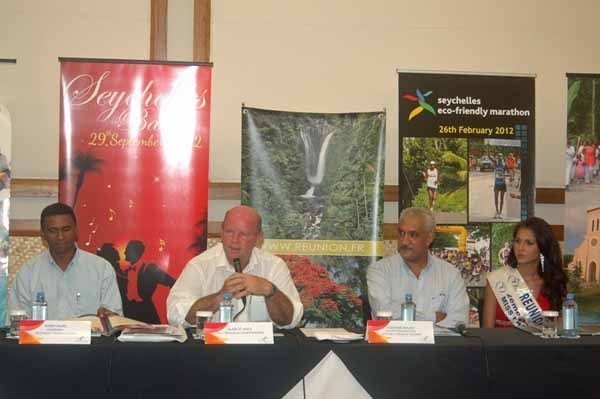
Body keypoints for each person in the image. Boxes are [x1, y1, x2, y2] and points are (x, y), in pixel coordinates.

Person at [166, 205, 303, 328]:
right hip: (212, 352)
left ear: (259, 238)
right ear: (221, 232)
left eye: (243, 234)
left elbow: (291, 320)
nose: (234, 240)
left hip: (261, 353)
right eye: (229, 232)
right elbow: (175, 315)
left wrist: (271, 291)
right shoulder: (200, 265)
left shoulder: (274, 266)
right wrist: (220, 297)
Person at [9, 203, 122, 319]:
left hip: (91, 337)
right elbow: (18, 323)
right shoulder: (28, 273)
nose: (60, 236)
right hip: (42, 337)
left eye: (66, 229)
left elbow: (113, 319)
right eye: (53, 230)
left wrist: (108, 317)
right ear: (43, 233)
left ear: (76, 230)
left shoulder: (101, 269)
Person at [367, 207, 469, 328]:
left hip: (437, 346)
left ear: (429, 238)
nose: (405, 241)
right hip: (393, 345)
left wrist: (404, 315)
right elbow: (384, 314)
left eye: (413, 235)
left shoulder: (450, 275)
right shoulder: (380, 270)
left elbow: (459, 322)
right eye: (401, 233)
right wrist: (434, 317)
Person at [482, 217, 568, 328]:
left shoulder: (555, 282)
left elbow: (563, 329)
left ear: (543, 247)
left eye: (529, 243)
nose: (520, 248)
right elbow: (487, 333)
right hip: (503, 344)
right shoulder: (497, 280)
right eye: (518, 241)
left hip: (543, 345)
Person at [122, 239, 176, 323]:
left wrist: (173, 304)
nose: (124, 253)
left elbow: (172, 282)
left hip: (145, 311)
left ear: (135, 252)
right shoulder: (125, 272)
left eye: (127, 250)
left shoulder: (149, 269)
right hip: (129, 311)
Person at [493, 153, 507, 219]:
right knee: (496, 198)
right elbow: (490, 157)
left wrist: (506, 175)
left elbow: (508, 172)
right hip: (496, 183)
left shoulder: (504, 165)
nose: (499, 157)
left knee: (502, 199)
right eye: (498, 156)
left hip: (503, 184)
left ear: (502, 157)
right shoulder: (495, 164)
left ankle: (500, 213)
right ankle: (497, 210)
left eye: (500, 156)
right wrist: (488, 147)